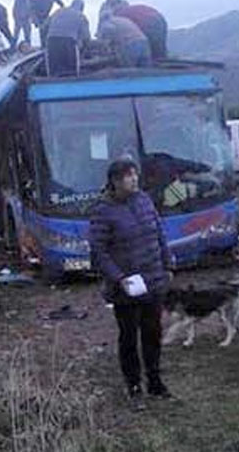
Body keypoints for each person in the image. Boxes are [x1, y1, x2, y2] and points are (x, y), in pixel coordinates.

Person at [89, 158, 173, 410]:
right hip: (126, 287)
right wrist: (119, 278)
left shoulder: (144, 200)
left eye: (135, 174)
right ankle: (134, 386)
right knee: (129, 337)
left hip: (153, 279)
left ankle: (155, 382)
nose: (134, 179)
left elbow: (159, 234)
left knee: (153, 333)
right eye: (128, 175)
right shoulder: (102, 210)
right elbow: (98, 252)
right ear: (115, 181)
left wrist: (168, 265)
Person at [45, 0, 91, 77]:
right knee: (71, 72)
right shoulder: (81, 16)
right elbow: (86, 37)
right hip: (68, 42)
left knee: (53, 71)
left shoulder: (58, 11)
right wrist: (84, 49)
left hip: (51, 41)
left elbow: (45, 25)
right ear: (82, 7)